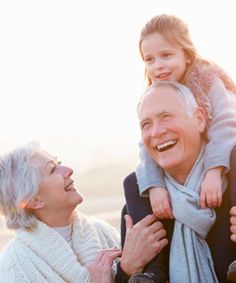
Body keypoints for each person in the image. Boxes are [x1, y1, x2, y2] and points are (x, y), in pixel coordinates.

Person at [118, 81, 236, 283]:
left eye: (166, 117)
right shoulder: (140, 208)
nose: (156, 132)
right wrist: (126, 269)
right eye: (146, 124)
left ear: (199, 119)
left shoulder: (231, 180)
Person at [0, 142, 168, 283]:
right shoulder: (15, 266)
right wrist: (127, 268)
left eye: (59, 162)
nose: (68, 170)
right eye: (52, 169)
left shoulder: (102, 231)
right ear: (33, 201)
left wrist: (127, 270)